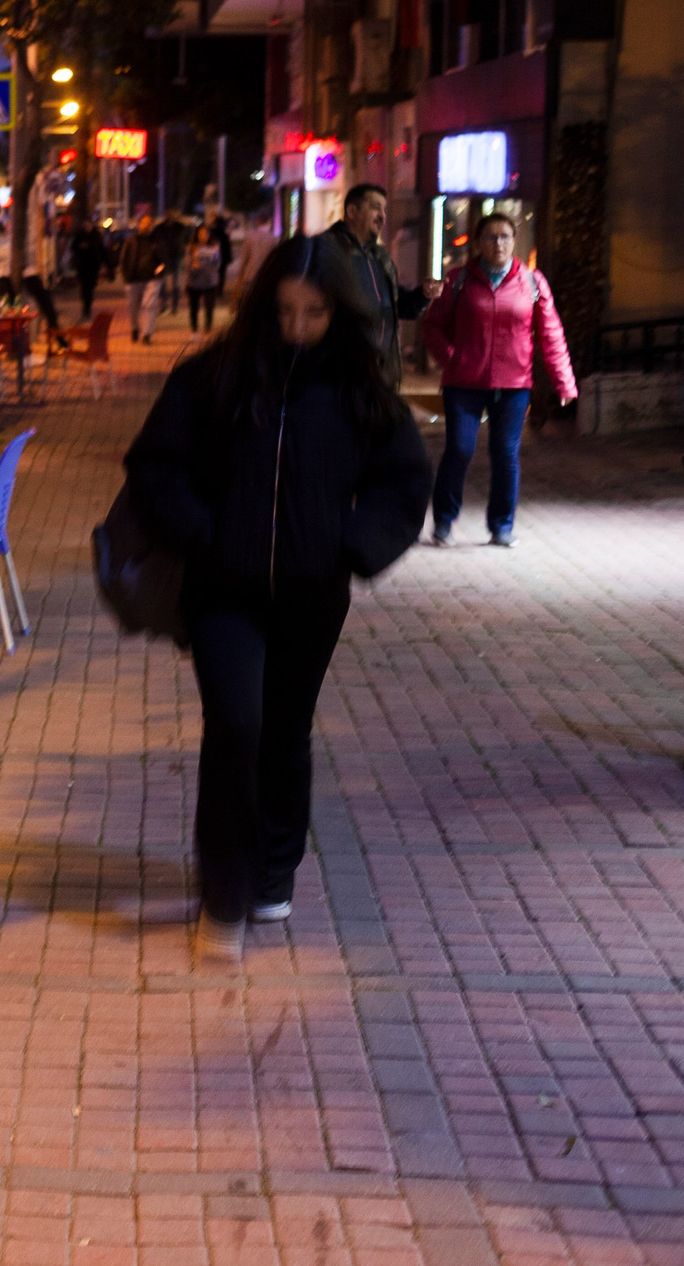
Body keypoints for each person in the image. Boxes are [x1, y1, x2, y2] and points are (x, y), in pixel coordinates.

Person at [125, 233, 431, 962]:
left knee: (286, 731)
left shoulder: (359, 388)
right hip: (222, 590)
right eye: (287, 310)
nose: (298, 326)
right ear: (265, 306)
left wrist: (352, 545)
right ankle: (223, 893)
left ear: (336, 311)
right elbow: (153, 464)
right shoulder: (213, 378)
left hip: (310, 593)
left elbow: (404, 480)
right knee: (236, 722)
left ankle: (272, 868)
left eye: (315, 312)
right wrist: (205, 532)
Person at [420, 212, 577, 547]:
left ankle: (502, 526)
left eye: (505, 236)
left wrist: (563, 381)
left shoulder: (532, 282)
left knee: (506, 453)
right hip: (463, 382)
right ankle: (444, 521)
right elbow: (433, 326)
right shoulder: (459, 280)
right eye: (491, 237)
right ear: (478, 243)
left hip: (513, 384)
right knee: (459, 449)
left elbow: (550, 333)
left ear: (514, 240)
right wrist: (453, 358)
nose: (498, 243)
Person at [320, 183, 436, 386]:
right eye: (375, 207)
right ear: (352, 211)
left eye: (384, 209)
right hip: (340, 372)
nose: (382, 216)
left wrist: (423, 294)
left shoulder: (379, 257)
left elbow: (396, 305)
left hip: (381, 372)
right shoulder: (327, 251)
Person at [118, 217, 167, 343]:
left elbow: (165, 258)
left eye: (149, 223)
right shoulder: (131, 241)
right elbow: (123, 260)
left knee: (149, 305)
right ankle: (135, 328)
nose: (146, 226)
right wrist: (125, 276)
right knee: (133, 307)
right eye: (144, 223)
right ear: (139, 224)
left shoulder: (156, 241)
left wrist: (161, 270)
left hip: (152, 278)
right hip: (133, 279)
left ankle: (147, 334)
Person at [183, 218, 226, 332]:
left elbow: (218, 263)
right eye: (200, 234)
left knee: (209, 307)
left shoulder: (214, 247)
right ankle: (194, 329)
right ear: (196, 235)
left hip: (209, 282)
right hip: (194, 282)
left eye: (205, 234)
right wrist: (194, 267)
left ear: (208, 235)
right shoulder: (190, 247)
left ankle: (208, 327)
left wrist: (209, 267)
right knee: (194, 308)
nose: (203, 236)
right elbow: (187, 265)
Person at [68, 214, 106, 322]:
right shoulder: (80, 236)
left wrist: (103, 264)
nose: (87, 226)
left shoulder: (96, 235)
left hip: (93, 266)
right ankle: (86, 309)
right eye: (85, 224)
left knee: (90, 287)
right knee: (85, 288)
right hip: (83, 266)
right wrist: (80, 247)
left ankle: (88, 306)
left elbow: (101, 250)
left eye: (89, 224)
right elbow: (73, 247)